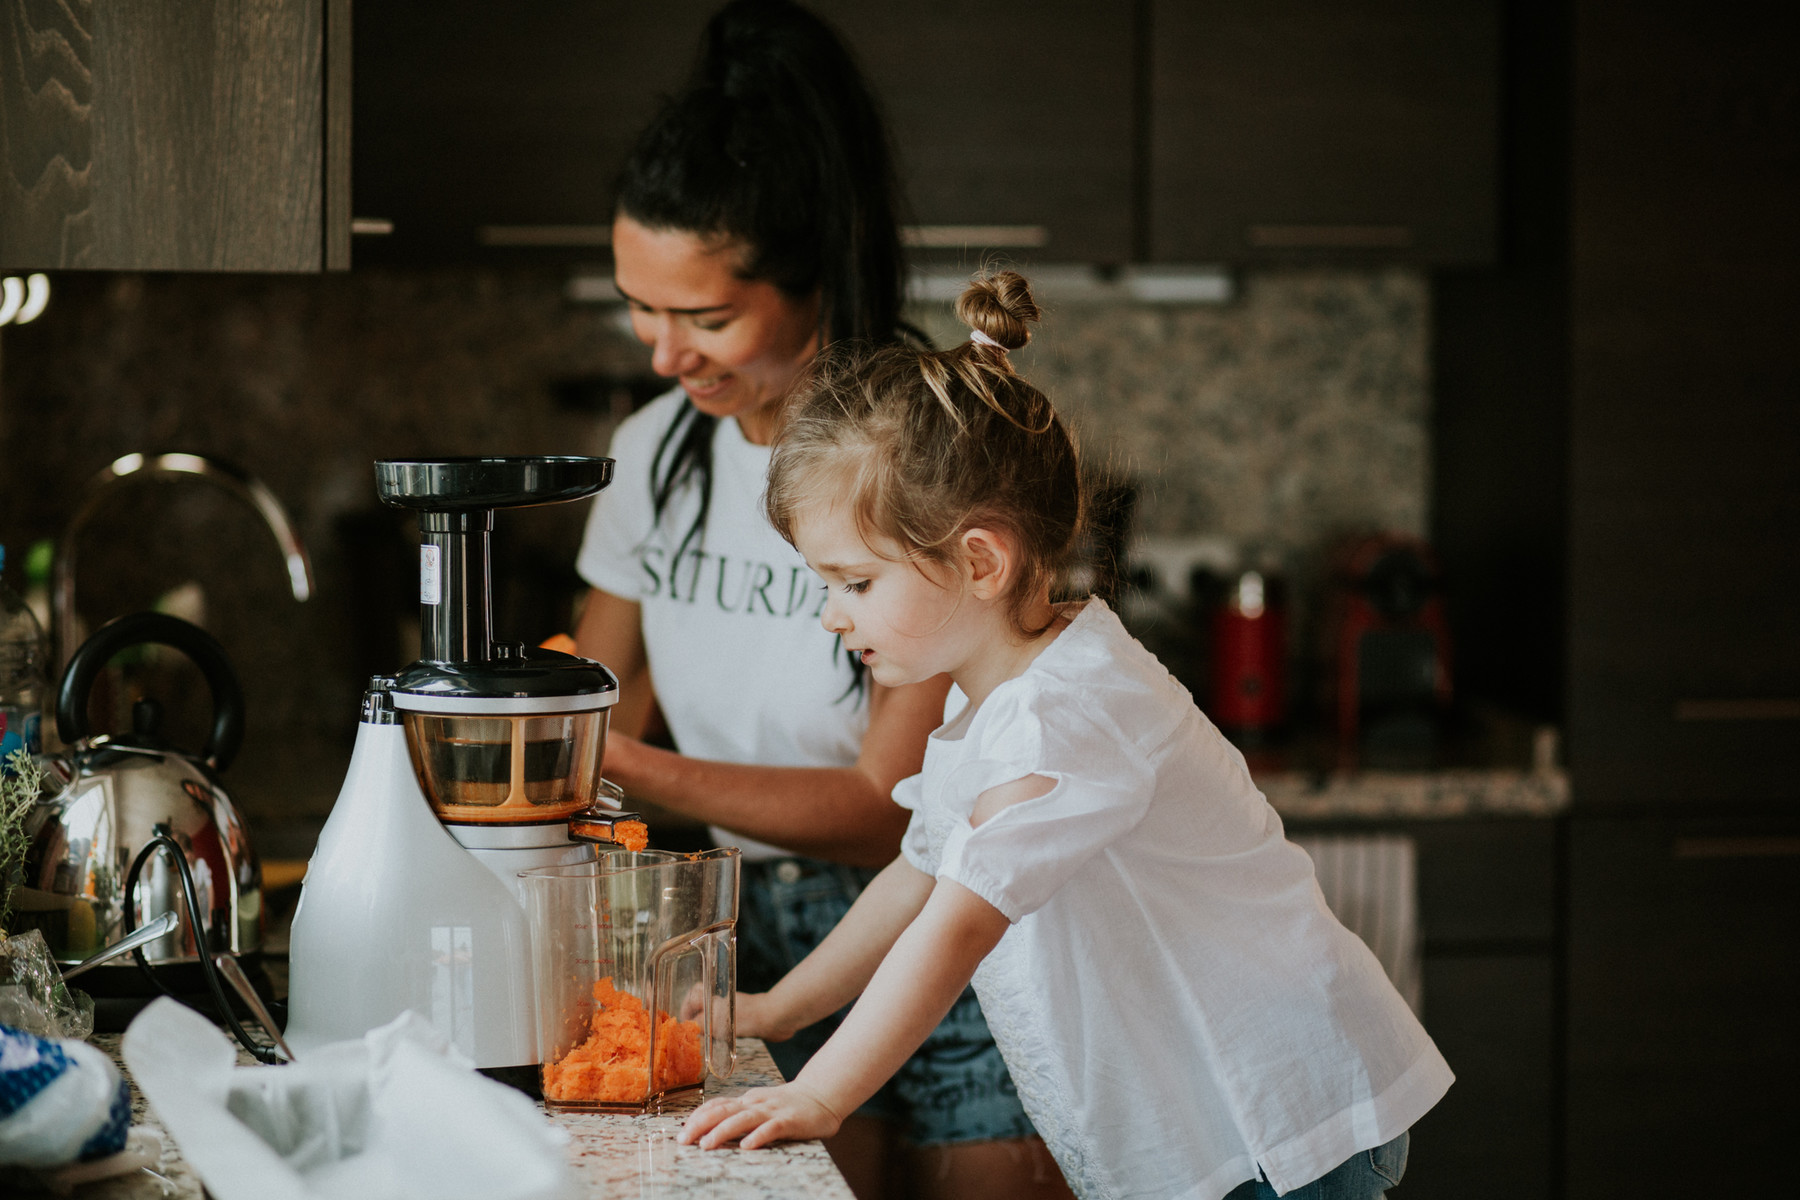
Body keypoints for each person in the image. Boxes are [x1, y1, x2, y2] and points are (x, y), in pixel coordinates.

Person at [676, 270, 1456, 1200]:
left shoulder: (1065, 716)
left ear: (978, 560)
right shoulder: (993, 701)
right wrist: (773, 1008)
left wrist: (822, 1096)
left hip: (1280, 1129)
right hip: (1218, 1123)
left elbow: (956, 926)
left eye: (854, 582)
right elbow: (917, 877)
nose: (832, 616)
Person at [572, 3, 1068, 1196]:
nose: (662, 352)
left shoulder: (920, 452)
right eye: (641, 307)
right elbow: (601, 696)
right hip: (737, 928)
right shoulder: (658, 453)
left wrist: (615, 757)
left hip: (950, 926)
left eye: (707, 318)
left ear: (809, 282)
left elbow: (879, 805)